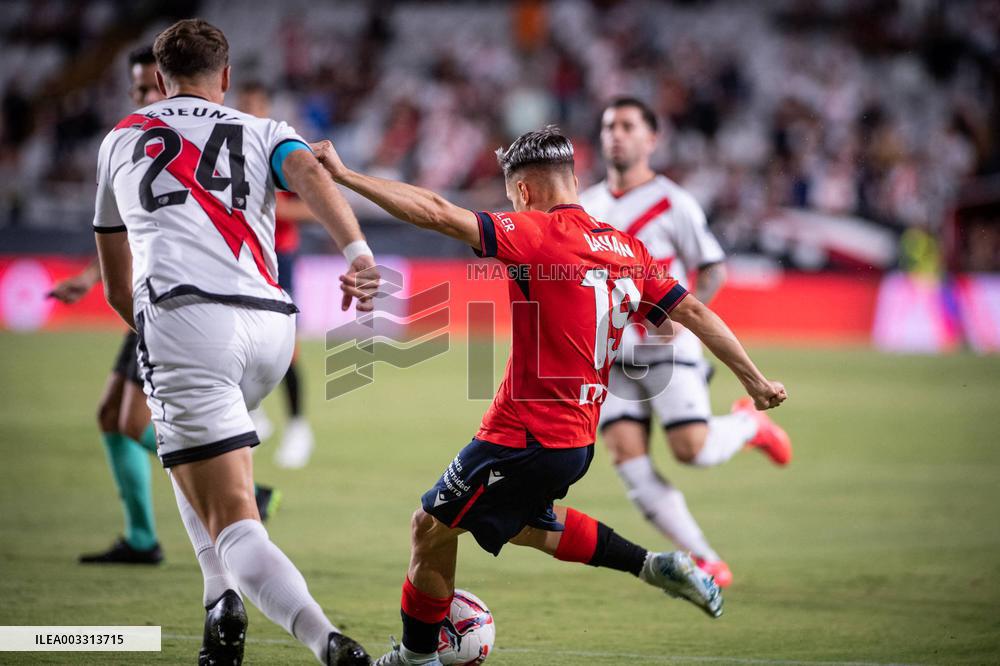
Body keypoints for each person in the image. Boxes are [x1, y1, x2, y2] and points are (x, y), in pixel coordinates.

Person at [309, 127, 787, 666]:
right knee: (524, 526)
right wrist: (754, 380)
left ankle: (414, 660)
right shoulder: (628, 249)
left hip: (523, 434)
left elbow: (438, 212)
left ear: (524, 192)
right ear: (576, 182)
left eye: (512, 197)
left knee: (431, 526)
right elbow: (693, 311)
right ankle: (654, 565)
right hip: (575, 441)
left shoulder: (535, 232)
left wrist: (346, 177)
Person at [92, 19, 377, 665]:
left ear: (159, 78)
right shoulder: (263, 128)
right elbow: (310, 172)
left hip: (189, 321)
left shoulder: (121, 138)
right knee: (190, 454)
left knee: (235, 520)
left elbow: (116, 285)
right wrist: (357, 253)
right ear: (225, 76)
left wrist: (164, 339)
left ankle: (326, 640)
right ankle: (218, 602)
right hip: (272, 326)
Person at [50, 47, 279, 568]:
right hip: (146, 300)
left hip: (175, 306)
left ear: (167, 84)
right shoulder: (139, 141)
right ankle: (144, 535)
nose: (139, 99)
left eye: (144, 89)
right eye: (134, 90)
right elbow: (127, 236)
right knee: (112, 415)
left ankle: (239, 485)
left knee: (130, 420)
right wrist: (89, 277)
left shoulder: (178, 144)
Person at [579, 98, 794, 587]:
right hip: (611, 355)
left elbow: (713, 267)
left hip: (667, 349)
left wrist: (684, 318)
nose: (616, 134)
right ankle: (705, 558)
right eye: (609, 126)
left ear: (651, 139)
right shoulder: (586, 206)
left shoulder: (673, 202)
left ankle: (748, 425)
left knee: (690, 449)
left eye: (628, 126)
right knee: (627, 458)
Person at [237, 81, 316, 468]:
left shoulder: (279, 149)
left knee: (286, 346)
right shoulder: (230, 148)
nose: (248, 112)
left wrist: (276, 210)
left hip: (279, 257)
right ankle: (252, 413)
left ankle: (299, 427)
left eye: (255, 105)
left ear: (267, 107)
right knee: (237, 336)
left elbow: (315, 205)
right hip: (241, 255)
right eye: (243, 105)